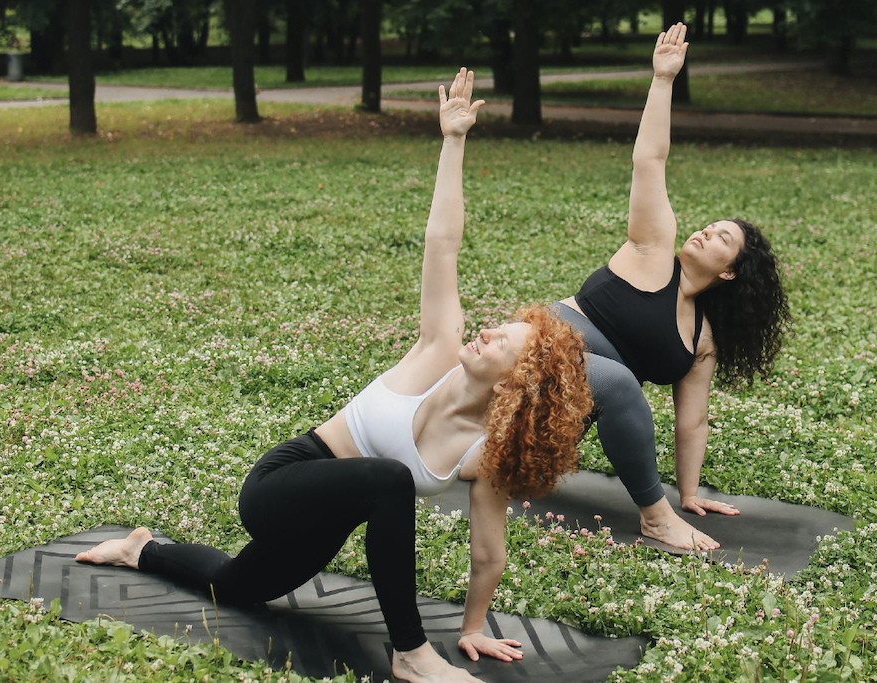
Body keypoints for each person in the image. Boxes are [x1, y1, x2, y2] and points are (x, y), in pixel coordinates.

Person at [75, 68, 592, 683]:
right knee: (392, 479)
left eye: (501, 340)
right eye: (495, 326)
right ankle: (411, 654)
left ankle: (141, 548)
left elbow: (488, 550)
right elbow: (443, 243)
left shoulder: (487, 453)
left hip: (328, 518)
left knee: (235, 588)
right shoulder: (437, 352)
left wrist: (475, 627)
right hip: (284, 480)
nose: (485, 331)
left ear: (519, 381)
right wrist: (453, 141)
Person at [554, 23, 791, 551]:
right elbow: (649, 161)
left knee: (599, 398)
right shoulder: (652, 249)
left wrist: (690, 491)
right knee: (620, 384)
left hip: (558, 412)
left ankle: (477, 453)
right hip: (537, 354)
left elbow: (694, 420)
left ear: (730, 272)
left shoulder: (701, 340)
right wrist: (662, 80)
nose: (707, 229)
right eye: (712, 224)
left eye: (722, 237)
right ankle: (654, 517)